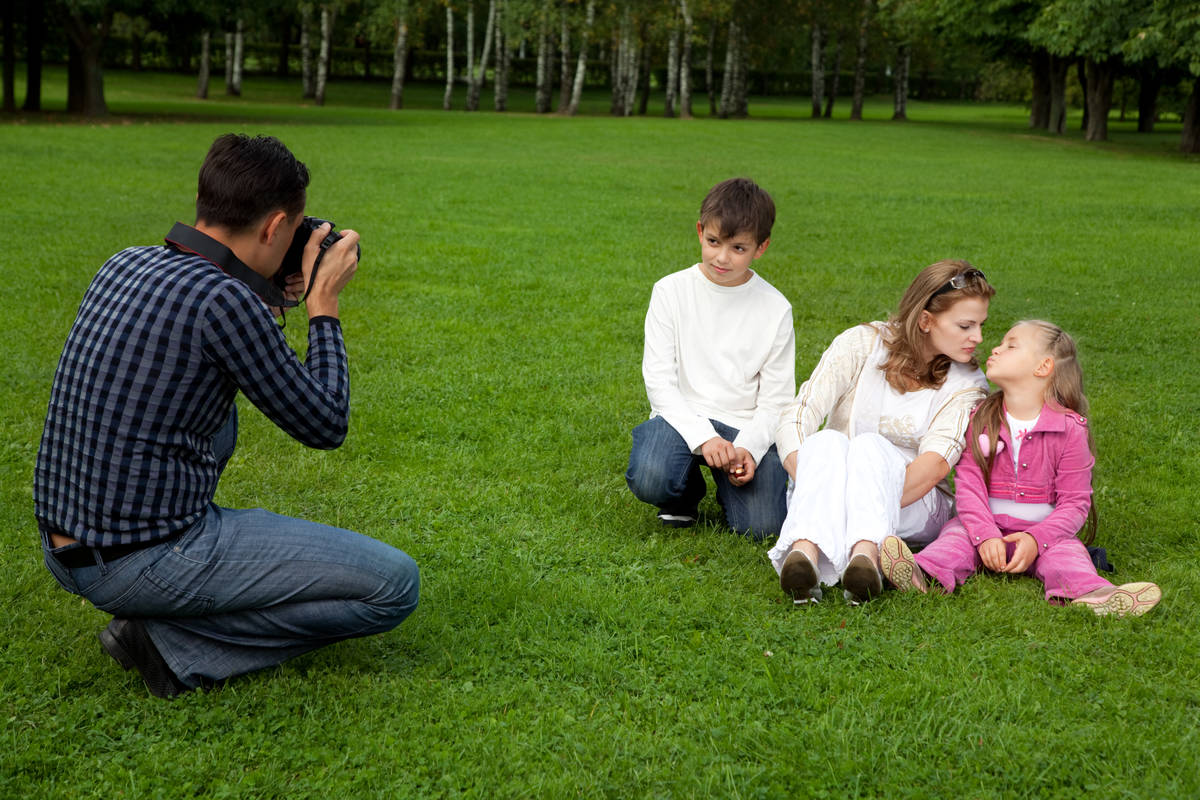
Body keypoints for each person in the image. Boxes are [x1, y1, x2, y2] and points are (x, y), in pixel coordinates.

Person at [33, 134, 419, 698]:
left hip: (65, 545)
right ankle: (171, 646)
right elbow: (325, 423)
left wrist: (266, 294)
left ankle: (160, 609)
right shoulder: (224, 301)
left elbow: (204, 326)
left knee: (213, 414)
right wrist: (323, 305)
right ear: (273, 227)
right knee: (392, 586)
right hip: (138, 559)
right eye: (294, 229)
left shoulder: (125, 262)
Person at [879, 321, 1162, 617]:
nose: (996, 348)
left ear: (1042, 367)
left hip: (1046, 534)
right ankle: (920, 573)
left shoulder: (1070, 430)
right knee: (953, 541)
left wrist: (1036, 539)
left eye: (1011, 345)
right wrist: (985, 535)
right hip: (981, 527)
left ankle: (1096, 595)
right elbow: (969, 487)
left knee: (1067, 557)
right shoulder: (981, 418)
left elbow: (1075, 503)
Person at [768, 260, 993, 603]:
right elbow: (797, 415)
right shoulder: (861, 344)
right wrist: (819, 481)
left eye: (979, 325)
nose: (977, 337)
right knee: (828, 440)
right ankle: (806, 555)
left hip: (913, 501)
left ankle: (865, 554)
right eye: (965, 326)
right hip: (829, 487)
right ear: (925, 320)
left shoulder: (968, 385)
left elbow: (935, 464)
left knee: (869, 447)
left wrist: (853, 498)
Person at [625, 178, 794, 540]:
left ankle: (731, 485)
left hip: (743, 424)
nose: (722, 257)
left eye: (738, 248)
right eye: (714, 242)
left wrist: (748, 447)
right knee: (652, 475)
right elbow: (659, 382)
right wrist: (704, 438)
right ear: (701, 231)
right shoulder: (670, 291)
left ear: (760, 248)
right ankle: (682, 494)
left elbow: (777, 400)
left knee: (763, 526)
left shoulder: (776, 308)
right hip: (681, 416)